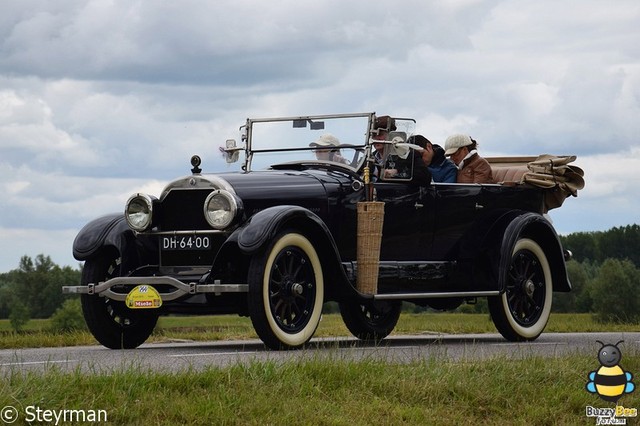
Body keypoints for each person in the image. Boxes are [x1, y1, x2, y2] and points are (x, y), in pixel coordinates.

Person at [371, 116, 431, 186]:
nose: (376, 138)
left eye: (380, 134)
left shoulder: (407, 154)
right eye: (374, 135)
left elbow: (425, 178)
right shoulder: (369, 159)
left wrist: (396, 173)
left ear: (391, 135)